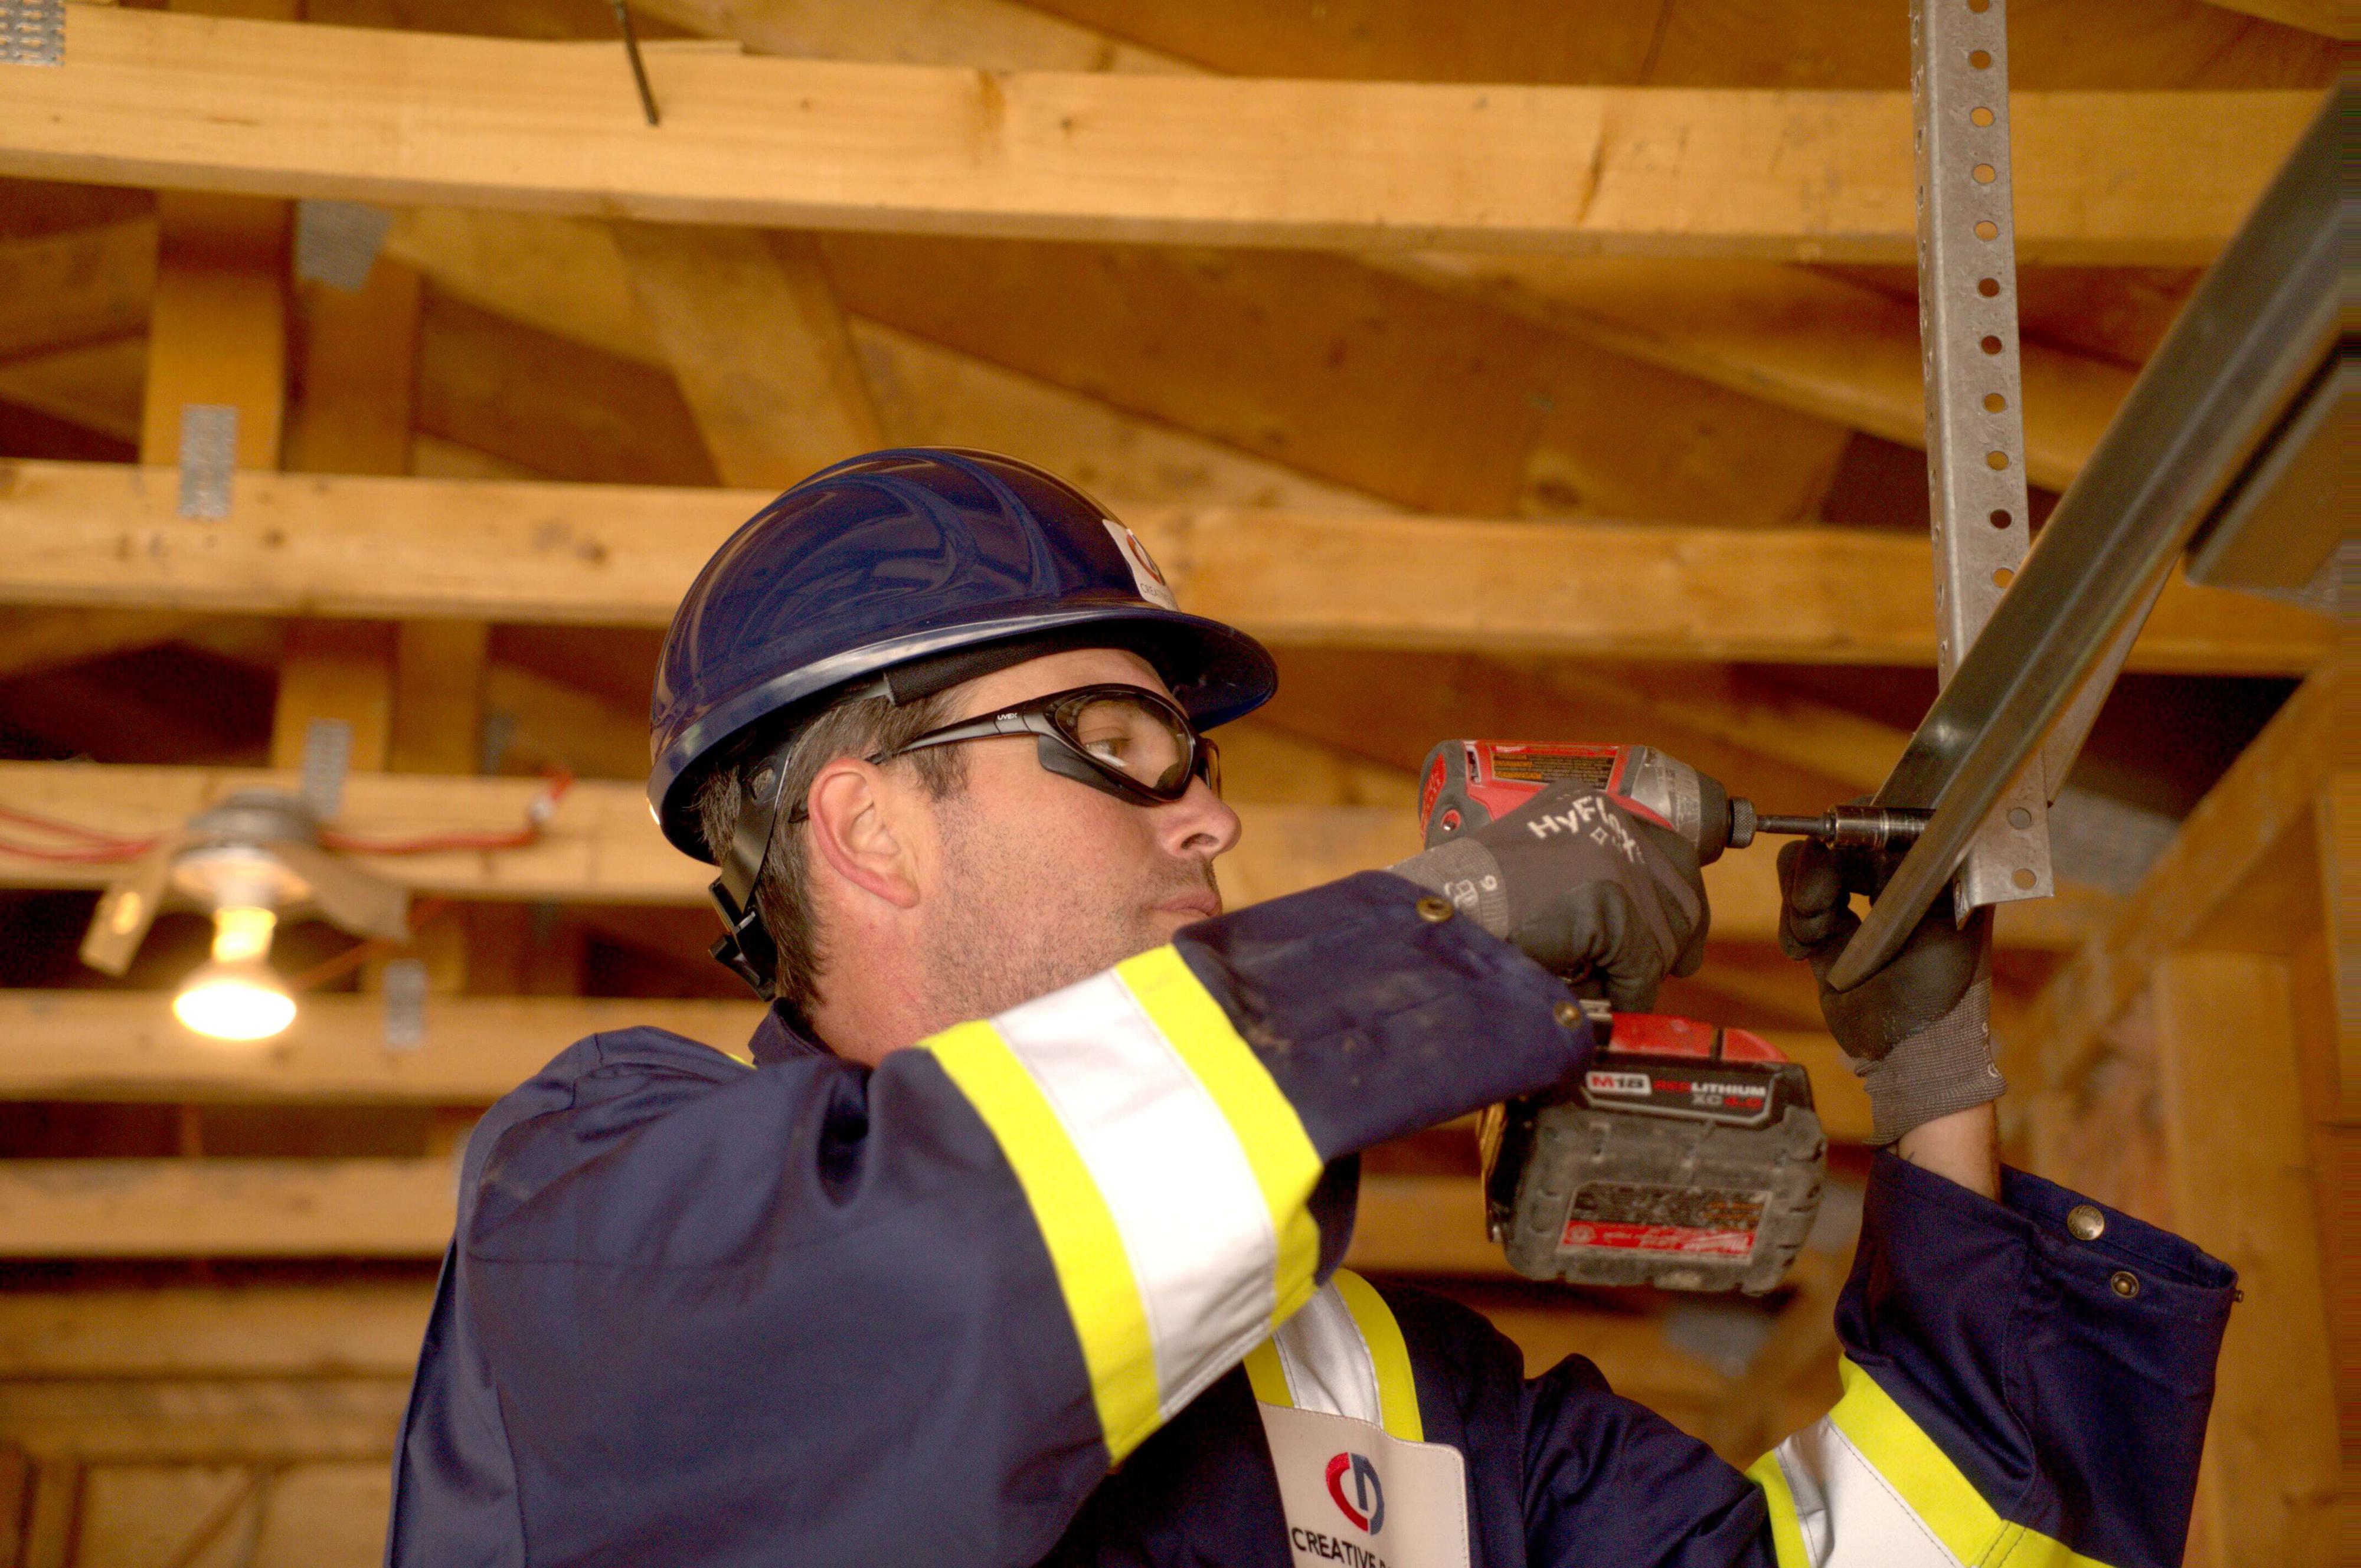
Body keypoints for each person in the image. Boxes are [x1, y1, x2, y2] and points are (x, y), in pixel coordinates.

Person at [386, 449, 2232, 1568]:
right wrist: (1447, 934)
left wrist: (1933, 1089)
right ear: (869, 826)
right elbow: (948, 1274)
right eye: (1116, 745)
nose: (1213, 810)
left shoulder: (1391, 1397)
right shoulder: (607, 1212)